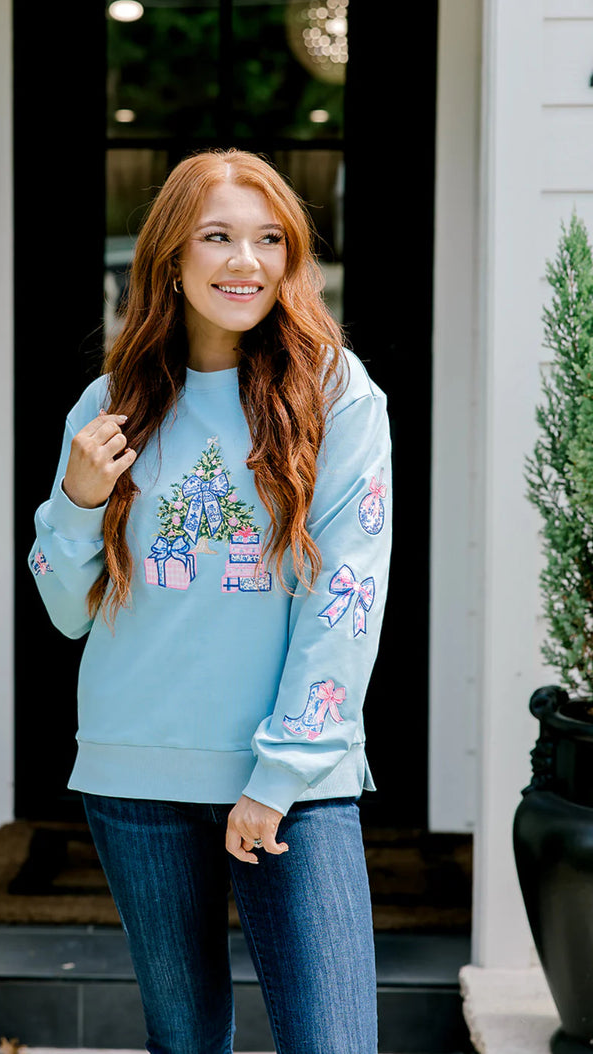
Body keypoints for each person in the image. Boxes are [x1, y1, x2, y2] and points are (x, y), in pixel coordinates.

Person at [29, 149, 391, 1054]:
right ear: (171, 259)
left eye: (270, 240)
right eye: (218, 237)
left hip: (295, 782)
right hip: (135, 768)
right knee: (185, 1042)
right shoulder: (108, 405)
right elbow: (69, 613)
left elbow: (347, 596)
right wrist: (74, 502)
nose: (247, 262)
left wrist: (277, 778)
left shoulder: (338, 396)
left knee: (334, 1042)